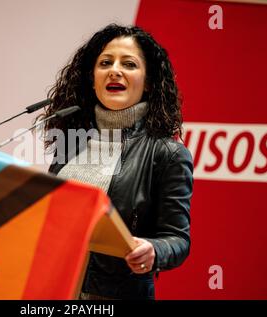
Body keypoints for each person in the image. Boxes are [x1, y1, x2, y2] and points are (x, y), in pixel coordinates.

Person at [38, 24, 193, 300]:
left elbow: (178, 239)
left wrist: (153, 249)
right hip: (53, 288)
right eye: (105, 63)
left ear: (148, 83)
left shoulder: (167, 153)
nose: (115, 70)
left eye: (129, 64)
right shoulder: (71, 141)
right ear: (92, 78)